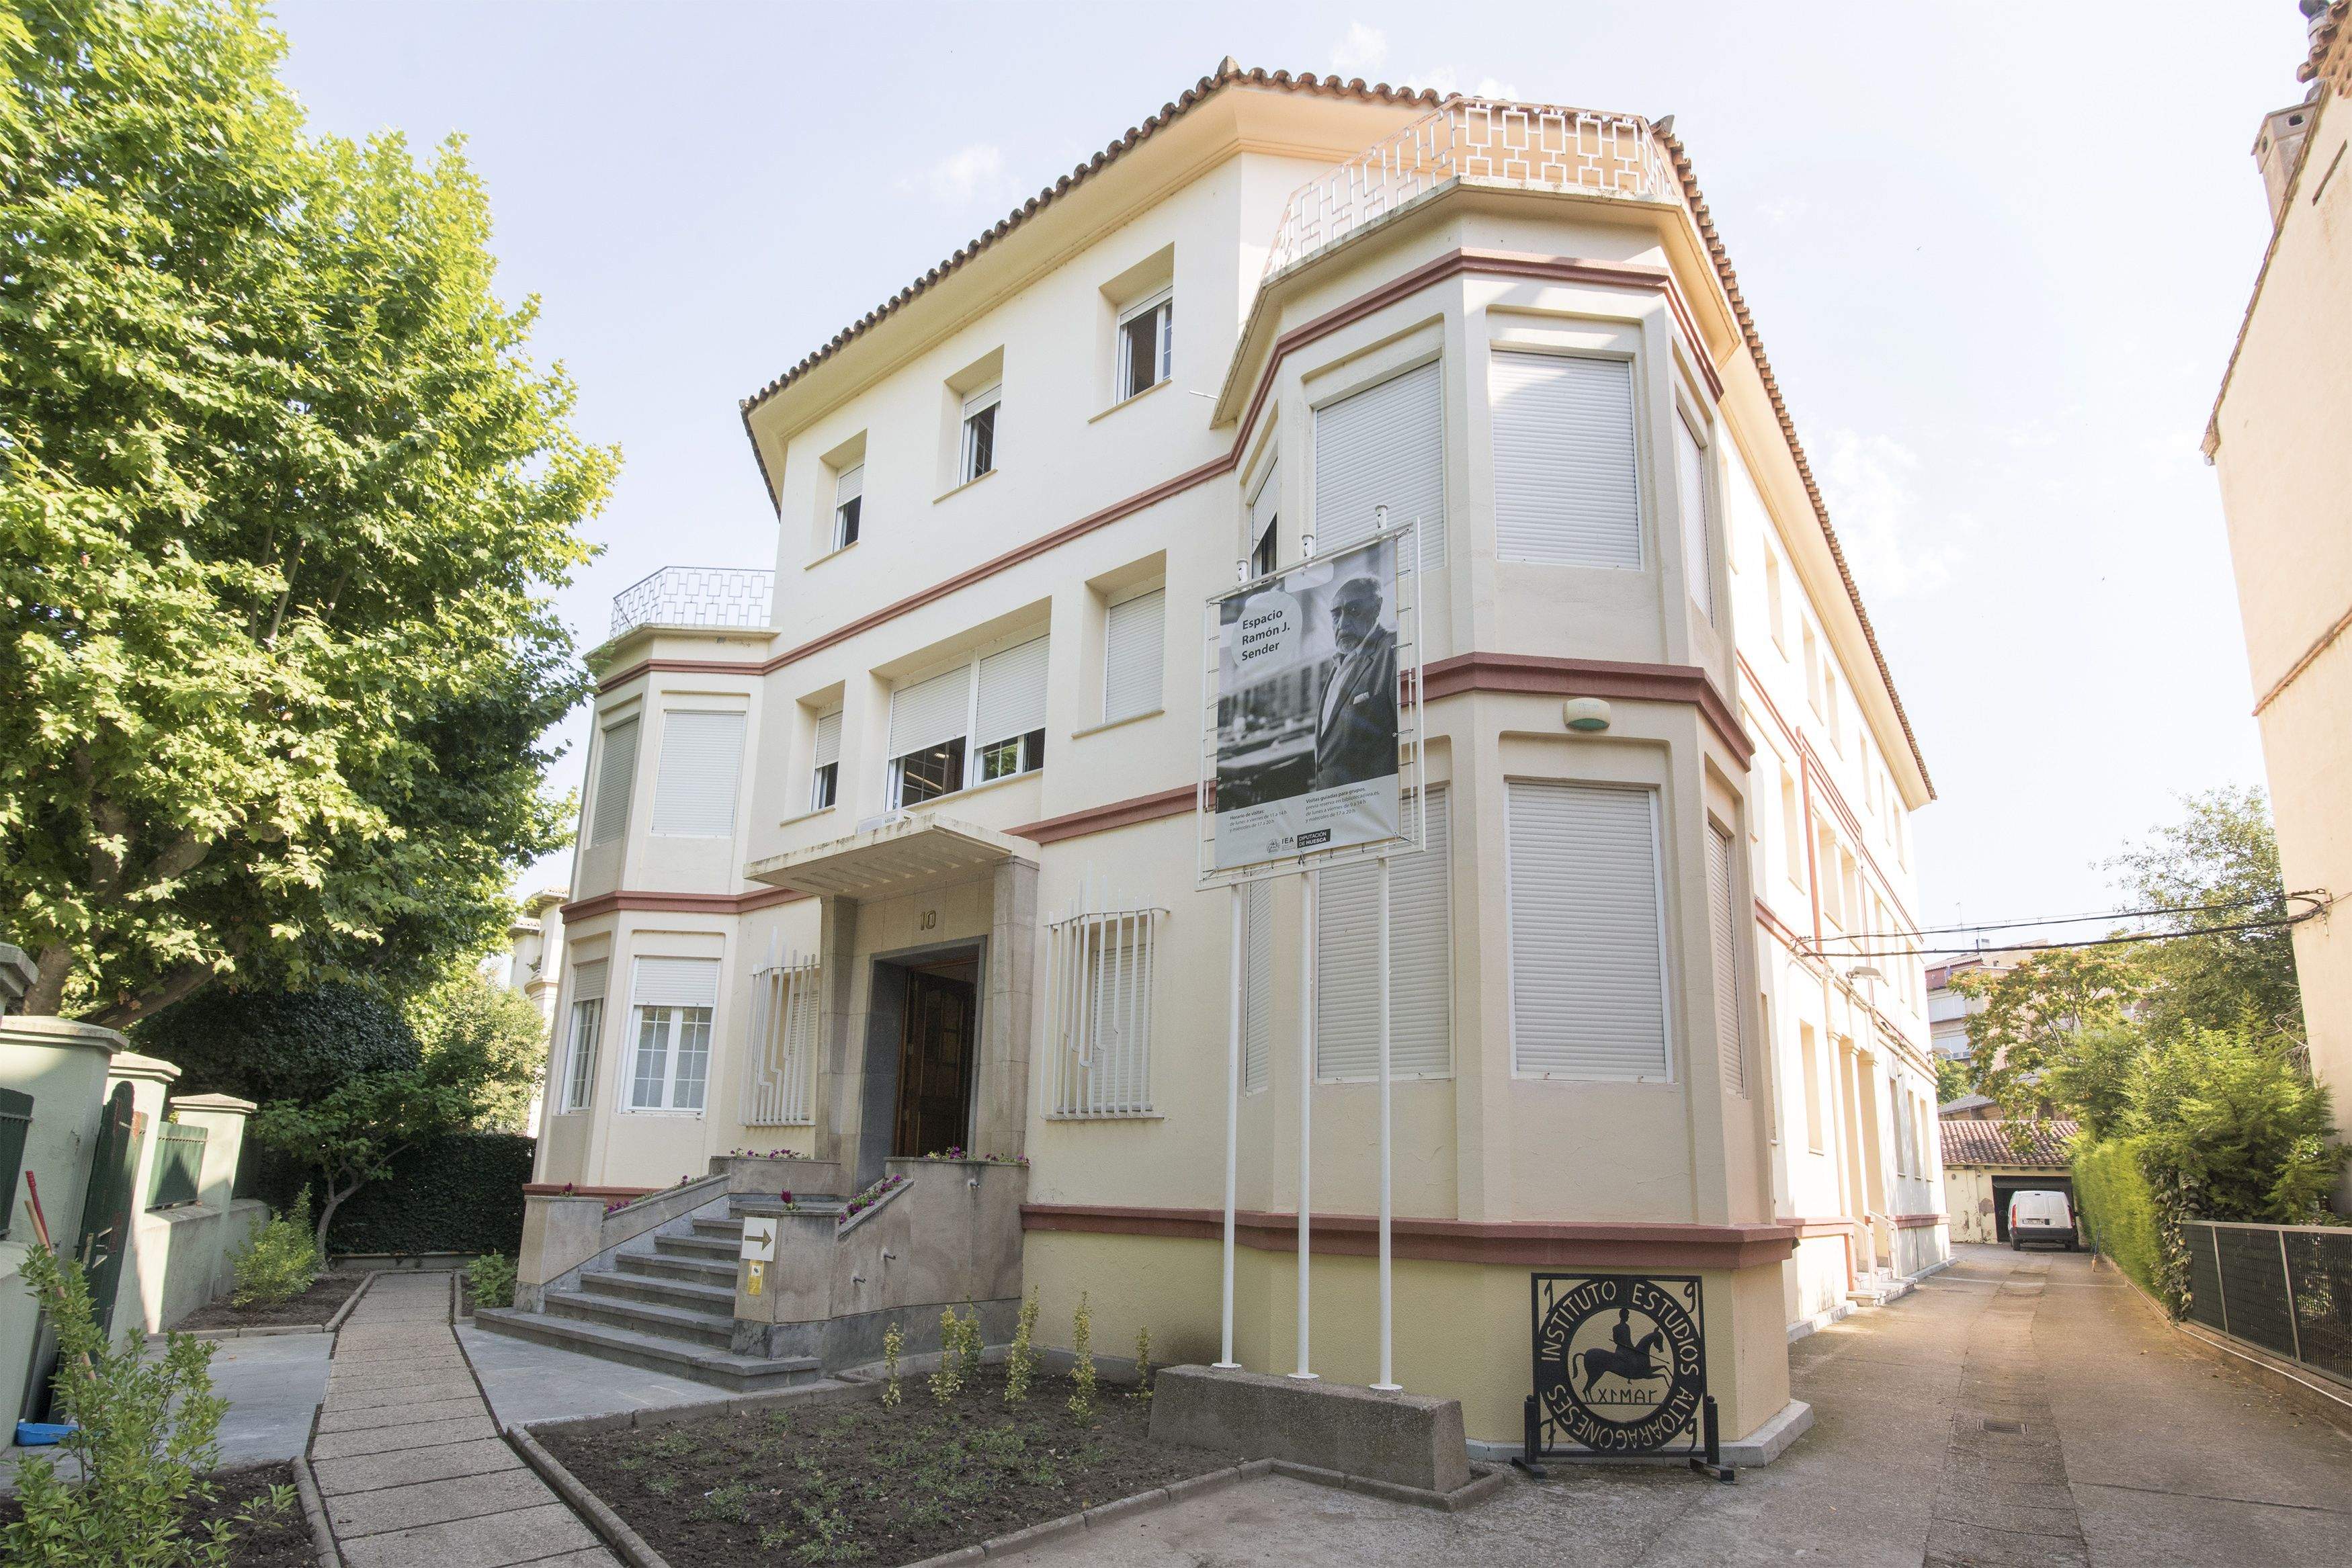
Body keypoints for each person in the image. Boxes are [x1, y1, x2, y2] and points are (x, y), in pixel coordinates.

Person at [1311, 576, 1398, 791]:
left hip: (1372, 811)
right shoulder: (1337, 665)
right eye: (1336, 615)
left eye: (1353, 611)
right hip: (1329, 808)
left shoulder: (1392, 649)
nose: (1342, 623)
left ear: (1376, 608)